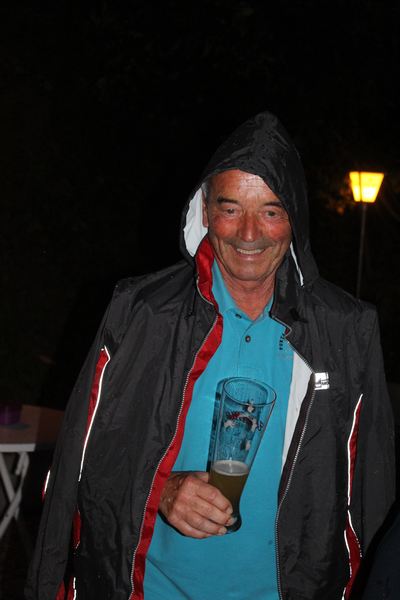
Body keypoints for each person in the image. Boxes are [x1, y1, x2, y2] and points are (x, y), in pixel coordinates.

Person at [26, 111, 395, 600]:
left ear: (296, 220)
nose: (248, 234)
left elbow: (373, 489)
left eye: (271, 211)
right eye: (230, 208)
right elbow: (80, 459)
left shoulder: (345, 329)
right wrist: (162, 489)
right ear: (203, 209)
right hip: (152, 589)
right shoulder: (142, 314)